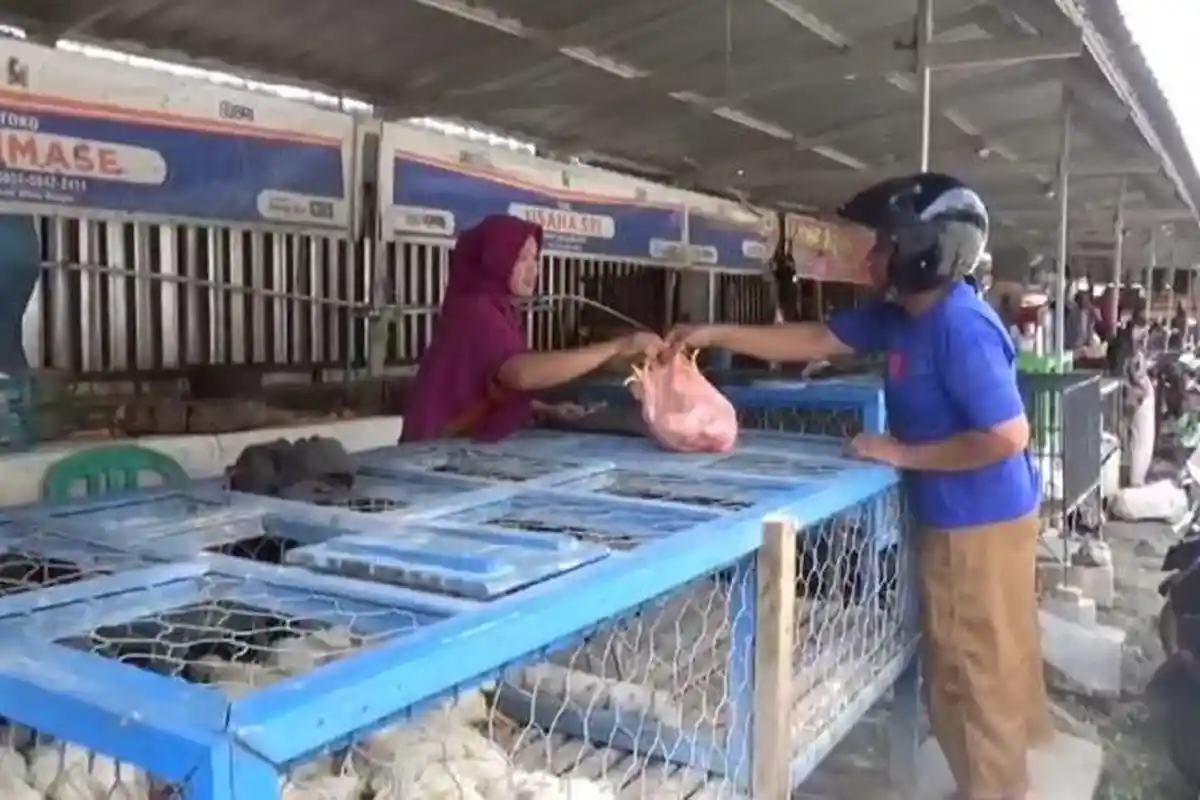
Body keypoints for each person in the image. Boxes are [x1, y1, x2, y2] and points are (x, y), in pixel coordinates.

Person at [664, 173, 1050, 800]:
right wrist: (712, 335)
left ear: (928, 248)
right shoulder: (902, 317)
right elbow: (817, 338)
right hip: (951, 517)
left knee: (979, 674)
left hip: (982, 523)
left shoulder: (959, 325)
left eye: (885, 243)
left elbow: (1008, 435)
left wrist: (901, 451)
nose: (872, 257)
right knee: (953, 668)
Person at [402, 214, 662, 442]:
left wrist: (544, 409)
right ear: (494, 260)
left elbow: (485, 386)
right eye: (521, 259)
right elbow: (520, 374)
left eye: (535, 258)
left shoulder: (500, 311)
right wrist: (619, 346)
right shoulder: (476, 310)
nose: (533, 270)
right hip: (432, 450)